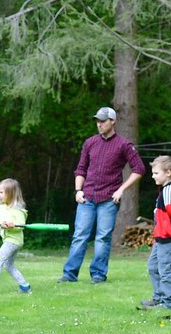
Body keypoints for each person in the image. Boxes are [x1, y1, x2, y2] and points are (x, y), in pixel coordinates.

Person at [58, 106, 145, 284]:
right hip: (86, 197)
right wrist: (78, 190)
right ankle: (69, 274)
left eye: (103, 121)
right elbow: (81, 169)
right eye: (97, 121)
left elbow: (139, 169)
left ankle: (98, 275)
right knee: (79, 236)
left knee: (102, 238)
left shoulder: (124, 145)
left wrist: (121, 189)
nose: (99, 124)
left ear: (113, 121)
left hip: (108, 200)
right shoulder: (90, 143)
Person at [139, 155, 171, 311]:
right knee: (153, 266)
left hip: (169, 238)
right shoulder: (164, 190)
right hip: (160, 238)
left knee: (166, 270)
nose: (153, 176)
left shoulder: (169, 190)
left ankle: (168, 303)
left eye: (156, 173)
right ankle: (158, 297)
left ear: (168, 173)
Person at [0, 178, 31, 295]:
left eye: (2, 192)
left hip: (13, 241)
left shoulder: (18, 210)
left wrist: (12, 226)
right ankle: (25, 287)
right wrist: (2, 222)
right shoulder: (2, 206)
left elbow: (21, 226)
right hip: (9, 240)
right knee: (8, 265)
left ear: (11, 193)